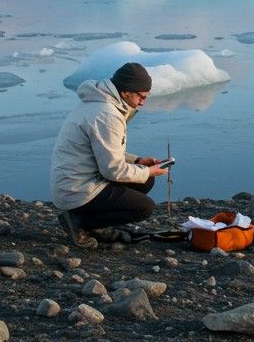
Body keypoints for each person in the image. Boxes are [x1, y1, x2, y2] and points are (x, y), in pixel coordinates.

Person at [51, 62, 170, 247]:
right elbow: (112, 171)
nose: (143, 102)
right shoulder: (107, 115)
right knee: (144, 207)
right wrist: (148, 171)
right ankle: (79, 222)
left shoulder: (99, 103)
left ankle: (90, 221)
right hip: (76, 189)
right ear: (125, 92)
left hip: (75, 181)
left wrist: (138, 161)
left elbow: (105, 151)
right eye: (141, 96)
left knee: (145, 181)